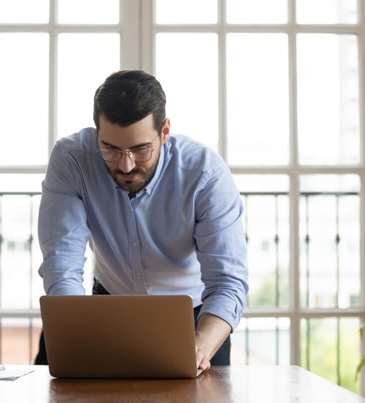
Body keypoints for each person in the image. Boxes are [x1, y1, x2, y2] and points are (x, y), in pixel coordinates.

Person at [35, 70, 248, 371]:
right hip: (106, 304)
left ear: (164, 132)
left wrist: (198, 348)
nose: (126, 165)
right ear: (97, 134)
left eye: (140, 149)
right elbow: (62, 262)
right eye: (110, 149)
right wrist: (74, 333)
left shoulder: (205, 174)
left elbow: (228, 281)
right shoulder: (72, 159)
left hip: (195, 315)